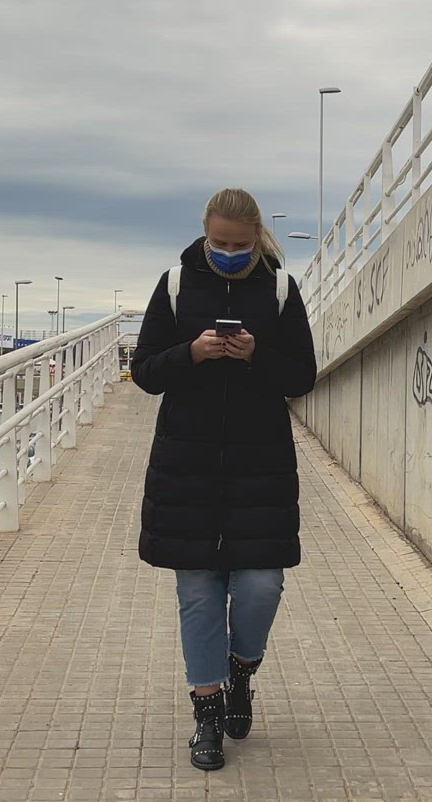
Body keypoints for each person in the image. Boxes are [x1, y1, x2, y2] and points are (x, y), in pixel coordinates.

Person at [130, 188, 318, 771]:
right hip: (185, 467)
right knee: (198, 595)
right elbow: (144, 372)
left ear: (257, 238)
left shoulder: (281, 289)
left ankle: (242, 669)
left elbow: (303, 376)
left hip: (260, 467)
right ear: (204, 233)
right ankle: (207, 715)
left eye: (239, 245)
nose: (229, 253)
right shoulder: (174, 285)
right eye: (219, 243)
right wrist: (193, 352)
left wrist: (256, 354)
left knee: (262, 586)